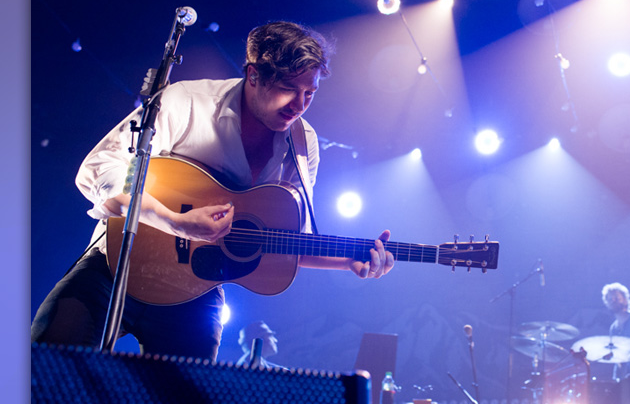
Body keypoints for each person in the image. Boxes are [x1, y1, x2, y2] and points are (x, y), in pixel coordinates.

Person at [31, 21, 396, 361]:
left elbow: (288, 242)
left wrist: (348, 260)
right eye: (288, 89)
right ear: (253, 76)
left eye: (309, 93)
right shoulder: (186, 102)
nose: (299, 106)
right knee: (47, 367)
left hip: (197, 288)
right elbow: (99, 170)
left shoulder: (302, 144)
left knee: (190, 403)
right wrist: (175, 222)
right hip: (117, 265)